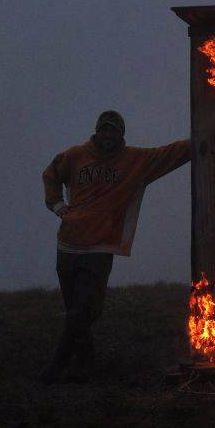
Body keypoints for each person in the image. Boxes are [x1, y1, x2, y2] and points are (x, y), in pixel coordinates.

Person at [40, 110, 192, 383]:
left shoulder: (134, 160)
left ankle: (54, 368)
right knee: (76, 312)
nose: (108, 135)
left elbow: (169, 154)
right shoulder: (75, 156)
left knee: (87, 310)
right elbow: (51, 174)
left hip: (100, 247)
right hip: (68, 246)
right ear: (97, 131)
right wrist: (57, 204)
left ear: (122, 134)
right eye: (104, 129)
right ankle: (86, 368)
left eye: (114, 130)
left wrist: (202, 138)